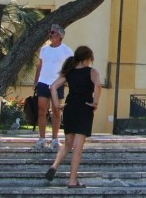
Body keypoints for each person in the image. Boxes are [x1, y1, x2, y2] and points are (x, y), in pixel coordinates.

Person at [44, 45, 102, 188]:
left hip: (70, 108)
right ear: (88, 58)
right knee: (77, 147)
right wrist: (95, 102)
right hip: (84, 108)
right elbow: (98, 86)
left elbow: (53, 87)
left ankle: (54, 166)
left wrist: (57, 105)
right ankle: (72, 180)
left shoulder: (69, 72)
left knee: (67, 143)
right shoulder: (91, 72)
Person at [33, 24, 73, 150]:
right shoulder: (44, 49)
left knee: (56, 111)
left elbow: (71, 66)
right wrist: (36, 81)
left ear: (59, 36)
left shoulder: (67, 50)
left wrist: (65, 79)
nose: (50, 35)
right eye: (50, 32)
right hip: (43, 82)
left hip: (57, 84)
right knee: (41, 111)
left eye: (53, 32)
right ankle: (42, 139)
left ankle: (55, 139)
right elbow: (40, 65)